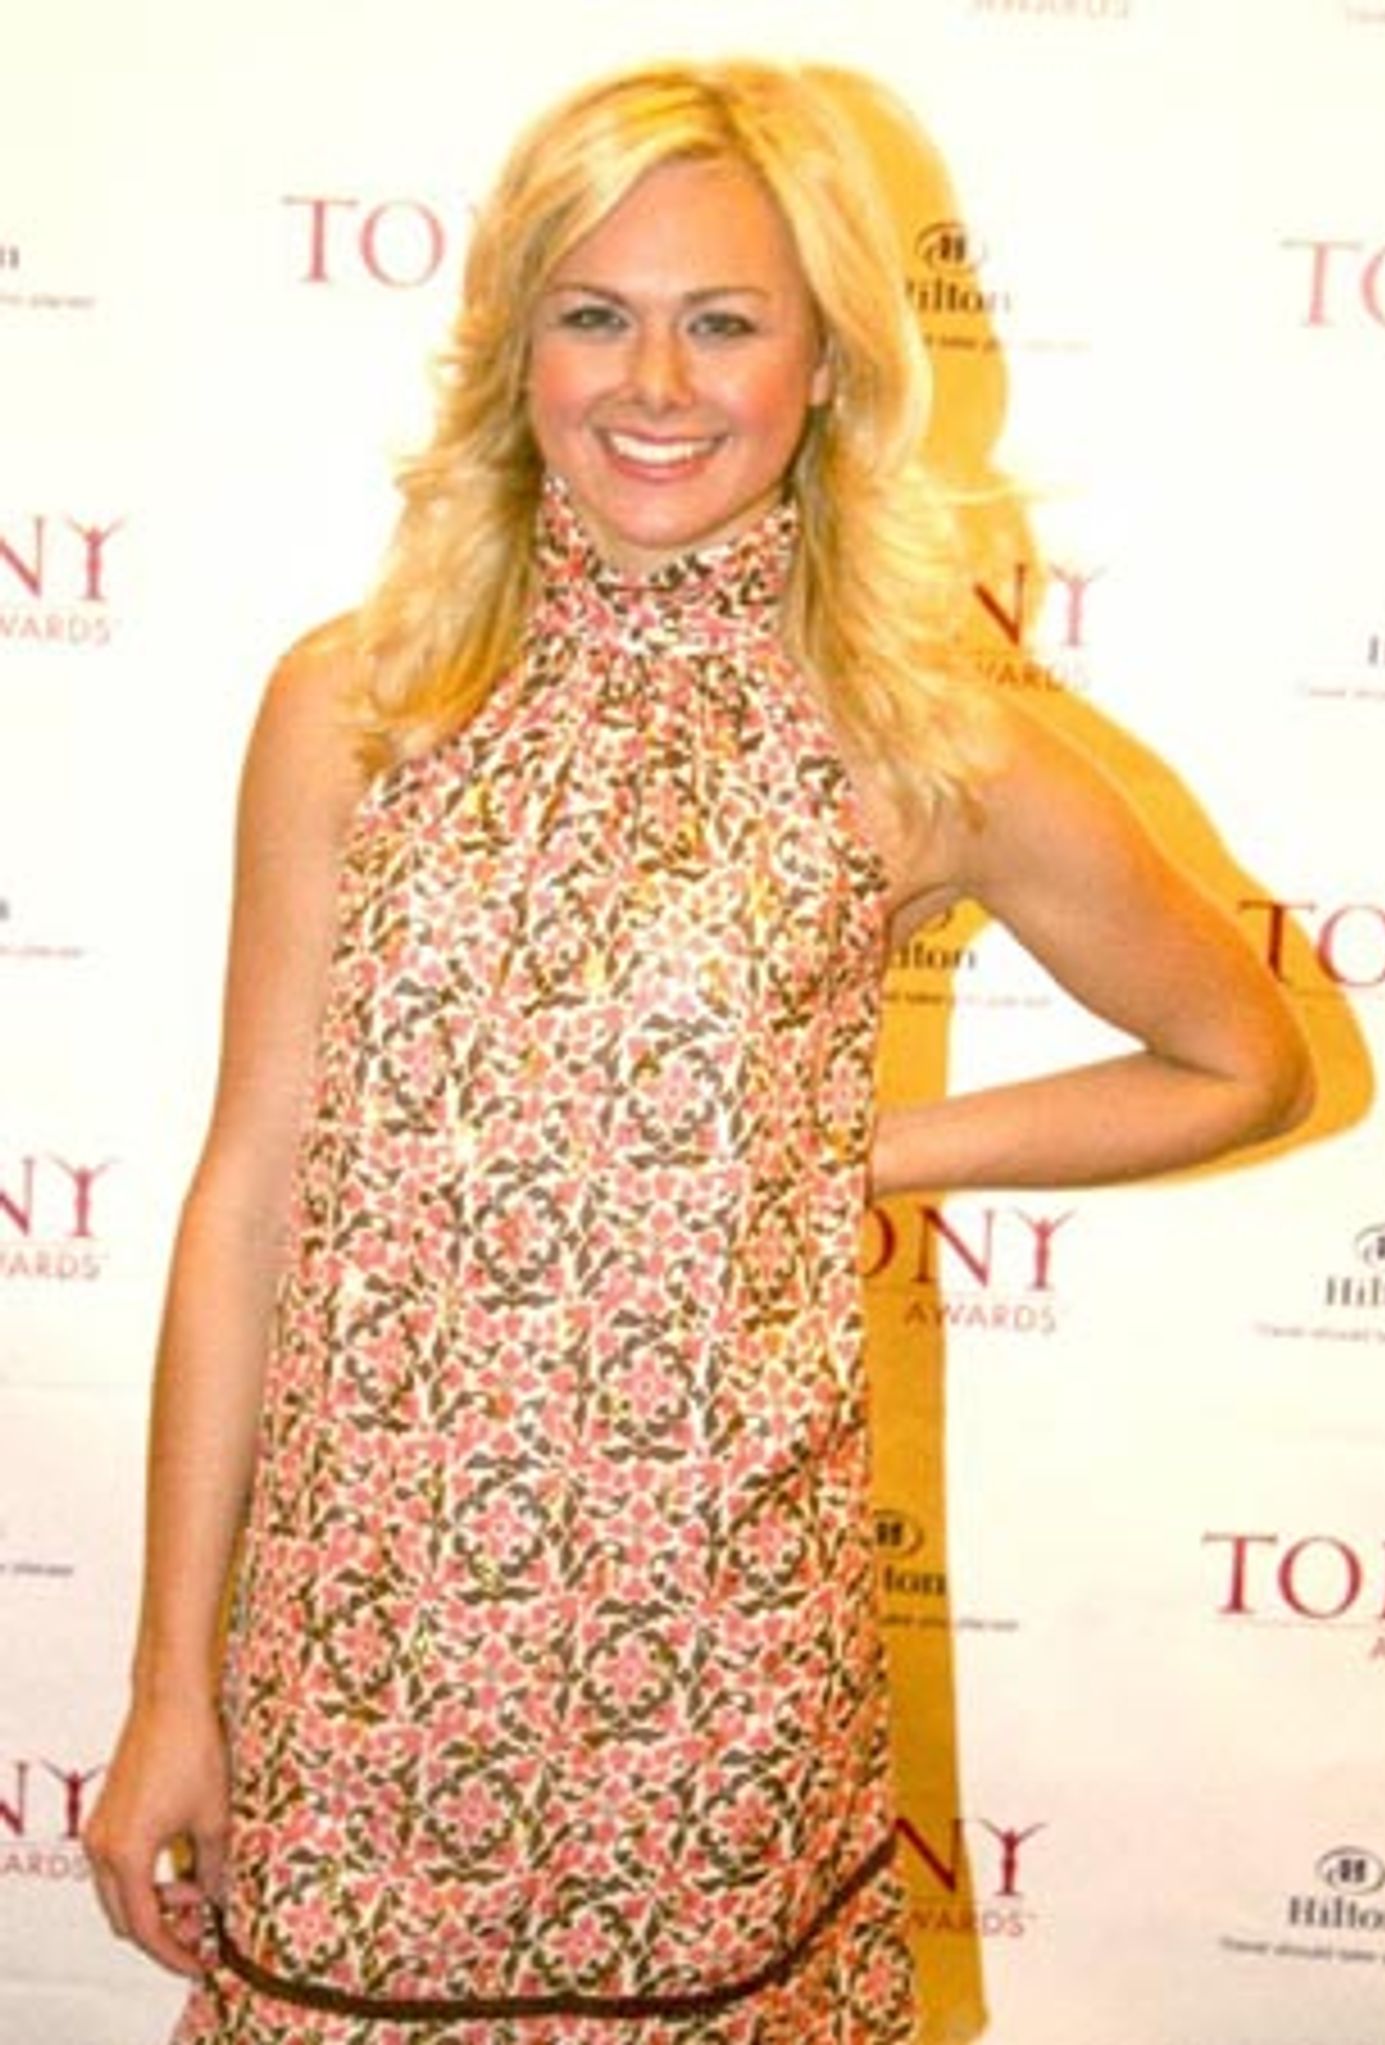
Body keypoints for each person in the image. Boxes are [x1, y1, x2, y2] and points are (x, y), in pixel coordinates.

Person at [83, 56, 1313, 2045]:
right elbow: (248, 1196)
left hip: (716, 1680)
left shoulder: (920, 743)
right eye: (596, 313)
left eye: (724, 322)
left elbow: (1237, 1060)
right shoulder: (360, 702)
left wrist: (848, 1150)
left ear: (825, 365)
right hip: (358, 1668)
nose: (654, 381)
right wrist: (169, 1688)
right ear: (516, 349)